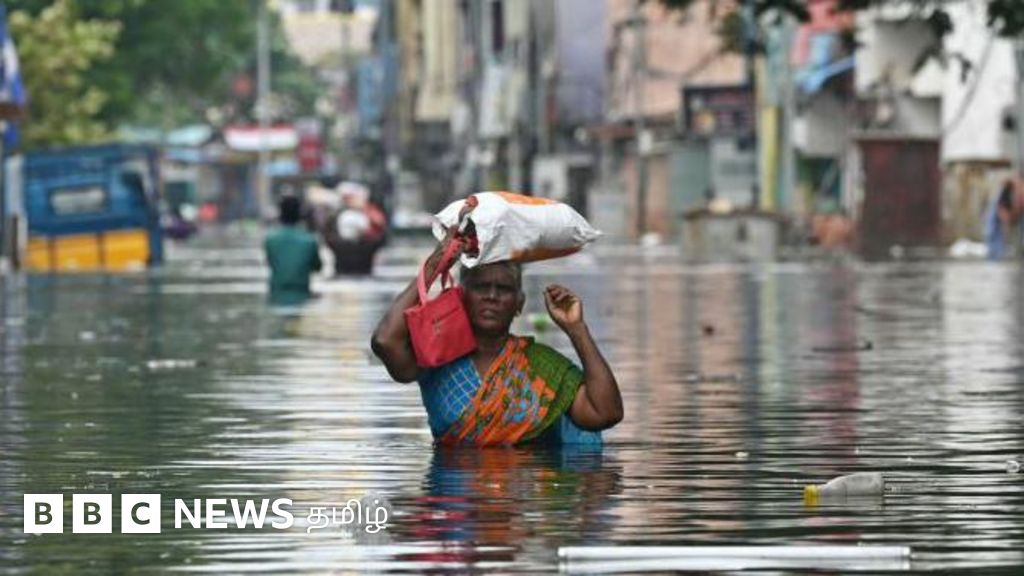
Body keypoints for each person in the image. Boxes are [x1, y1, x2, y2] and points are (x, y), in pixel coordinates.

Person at [370, 230, 623, 446]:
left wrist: (576, 329)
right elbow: (385, 341)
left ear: (519, 303)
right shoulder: (437, 359)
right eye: (481, 287)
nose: (492, 296)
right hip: (452, 497)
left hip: (525, 497)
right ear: (461, 296)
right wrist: (437, 262)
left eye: (503, 289)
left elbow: (605, 413)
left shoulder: (543, 367)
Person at [264, 195, 322, 305]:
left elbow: (270, 263)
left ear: (280, 214)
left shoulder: (270, 240)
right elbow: (318, 267)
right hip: (302, 294)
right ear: (300, 215)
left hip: (276, 296)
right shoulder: (310, 240)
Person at [984, 178, 1024, 260]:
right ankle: (995, 254)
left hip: (1010, 207)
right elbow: (1004, 216)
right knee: (993, 232)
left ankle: (999, 253)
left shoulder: (1017, 193)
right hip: (1002, 208)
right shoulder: (1005, 196)